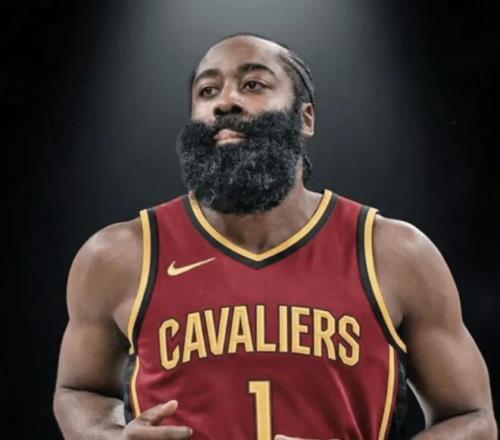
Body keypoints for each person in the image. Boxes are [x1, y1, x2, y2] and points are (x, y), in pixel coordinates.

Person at [53, 33, 497, 440]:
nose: (225, 101)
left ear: (305, 118)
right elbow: (78, 390)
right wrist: (109, 437)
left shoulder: (393, 252)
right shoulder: (120, 255)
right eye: (207, 91)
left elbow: (473, 418)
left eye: (253, 85)